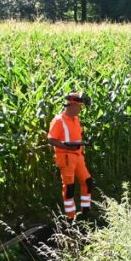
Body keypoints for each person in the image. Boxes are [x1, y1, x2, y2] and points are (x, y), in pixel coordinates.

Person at [47, 92, 93, 220]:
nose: (80, 109)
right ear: (71, 106)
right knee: (69, 187)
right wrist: (66, 146)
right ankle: (70, 218)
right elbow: (50, 139)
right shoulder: (58, 120)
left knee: (87, 181)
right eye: (79, 107)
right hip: (66, 157)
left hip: (78, 156)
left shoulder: (76, 119)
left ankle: (85, 211)